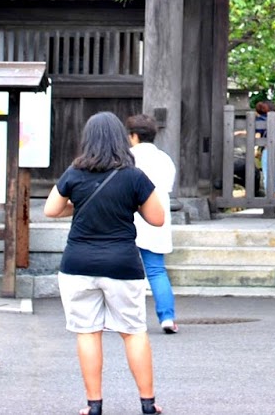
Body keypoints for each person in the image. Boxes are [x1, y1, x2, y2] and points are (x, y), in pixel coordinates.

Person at [44, 112, 166, 415]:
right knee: (133, 331)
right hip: (122, 264)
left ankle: (94, 405)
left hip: (77, 264)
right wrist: (131, 203)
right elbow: (157, 218)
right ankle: (148, 403)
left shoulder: (74, 173)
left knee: (87, 333)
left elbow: (50, 209)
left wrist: (77, 204)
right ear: (122, 140)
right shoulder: (134, 176)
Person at [125, 113, 178, 335]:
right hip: (156, 219)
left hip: (128, 219)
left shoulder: (126, 158)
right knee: (156, 270)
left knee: (124, 273)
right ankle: (167, 317)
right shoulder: (165, 159)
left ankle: (125, 319)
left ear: (133, 136)